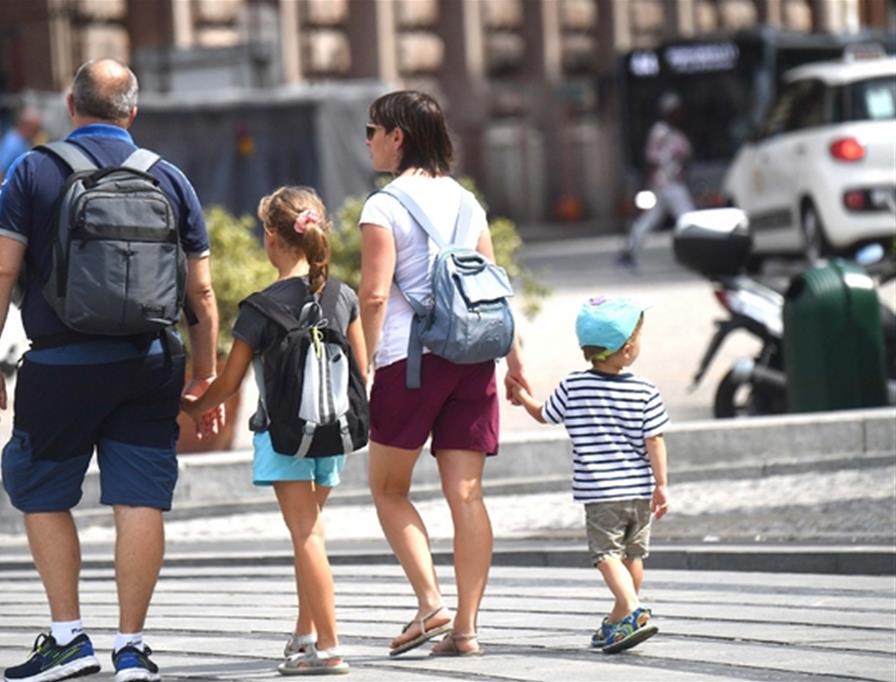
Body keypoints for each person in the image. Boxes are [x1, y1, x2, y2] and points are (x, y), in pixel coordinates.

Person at [0, 58, 220, 682]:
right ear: (132, 112)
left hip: (62, 365)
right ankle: (132, 648)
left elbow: (1, 270)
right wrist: (205, 374)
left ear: (69, 104)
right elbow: (203, 293)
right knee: (139, 498)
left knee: (42, 490)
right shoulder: (170, 178)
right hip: (150, 362)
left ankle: (67, 639)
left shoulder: (34, 170)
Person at [357, 90, 529, 657]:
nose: (369, 140)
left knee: (387, 488)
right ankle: (467, 630)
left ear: (397, 136)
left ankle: (432, 605)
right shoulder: (467, 202)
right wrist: (515, 362)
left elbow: (376, 295)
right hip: (475, 358)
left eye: (372, 130)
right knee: (467, 494)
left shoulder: (383, 206)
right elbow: (494, 288)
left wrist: (362, 368)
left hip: (411, 362)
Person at [182, 186, 366, 676]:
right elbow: (362, 370)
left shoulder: (260, 308)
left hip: (285, 434)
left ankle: (328, 647)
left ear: (271, 238)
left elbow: (229, 382)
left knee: (306, 535)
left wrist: (195, 406)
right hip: (334, 433)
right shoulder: (343, 295)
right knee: (311, 533)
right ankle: (306, 632)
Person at [507, 296, 670, 654]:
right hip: (639, 491)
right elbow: (655, 440)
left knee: (605, 554)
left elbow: (545, 414)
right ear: (627, 350)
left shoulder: (574, 386)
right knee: (633, 556)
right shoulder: (645, 391)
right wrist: (661, 485)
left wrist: (522, 395)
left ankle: (630, 609)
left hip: (600, 493)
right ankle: (620, 617)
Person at [617, 91, 694, 269]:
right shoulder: (660, 131)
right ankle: (701, 250)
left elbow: (685, 156)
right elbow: (651, 159)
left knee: (651, 219)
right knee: (688, 217)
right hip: (667, 183)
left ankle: (630, 250)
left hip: (671, 182)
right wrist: (644, 184)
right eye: (676, 110)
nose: (679, 114)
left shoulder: (675, 133)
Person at [0, 107, 43, 204]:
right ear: (26, 126)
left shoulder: (24, 143)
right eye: (36, 129)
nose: (37, 133)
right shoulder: (11, 144)